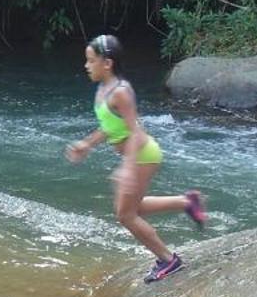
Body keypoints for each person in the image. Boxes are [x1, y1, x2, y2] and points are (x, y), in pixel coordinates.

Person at [66, 34, 206, 283]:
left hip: (143, 154)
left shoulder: (121, 92)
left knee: (125, 215)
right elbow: (110, 127)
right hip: (137, 156)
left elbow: (136, 132)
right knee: (135, 207)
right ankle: (187, 202)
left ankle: (168, 260)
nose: (86, 66)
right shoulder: (103, 90)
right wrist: (86, 144)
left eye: (90, 61)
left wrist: (128, 169)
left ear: (107, 63)